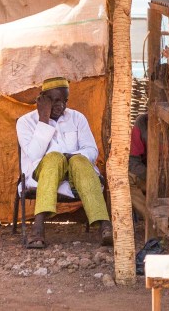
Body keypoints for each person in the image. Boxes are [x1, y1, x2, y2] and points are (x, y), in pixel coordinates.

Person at [17, 77, 111, 249]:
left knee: (79, 160)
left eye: (65, 100)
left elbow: (91, 150)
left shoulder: (77, 118)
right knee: (53, 158)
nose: (62, 106)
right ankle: (38, 229)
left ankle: (105, 226)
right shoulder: (25, 122)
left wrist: (71, 156)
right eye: (55, 100)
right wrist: (44, 119)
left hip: (78, 173)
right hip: (43, 174)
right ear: (42, 99)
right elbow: (34, 154)